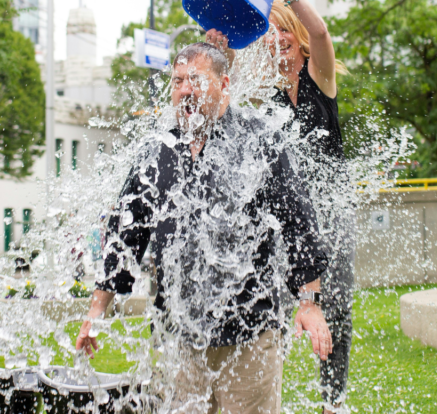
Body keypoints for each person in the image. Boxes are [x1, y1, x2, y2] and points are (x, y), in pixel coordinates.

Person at [76, 43, 332, 414]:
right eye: (178, 81)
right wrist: (96, 310)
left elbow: (298, 222)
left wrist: (309, 304)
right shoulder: (158, 150)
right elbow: (125, 235)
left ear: (224, 83)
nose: (185, 90)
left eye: (196, 80)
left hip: (250, 333)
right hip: (178, 335)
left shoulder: (258, 140)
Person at [207, 0, 354, 414]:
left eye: (285, 35)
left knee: (335, 308)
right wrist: (221, 52)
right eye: (271, 38)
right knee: (273, 303)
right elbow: (224, 107)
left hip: (331, 216)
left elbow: (323, 33)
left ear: (298, 39)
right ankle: (267, 393)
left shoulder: (319, 80)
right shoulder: (267, 103)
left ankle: (334, 402)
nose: (279, 44)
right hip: (290, 219)